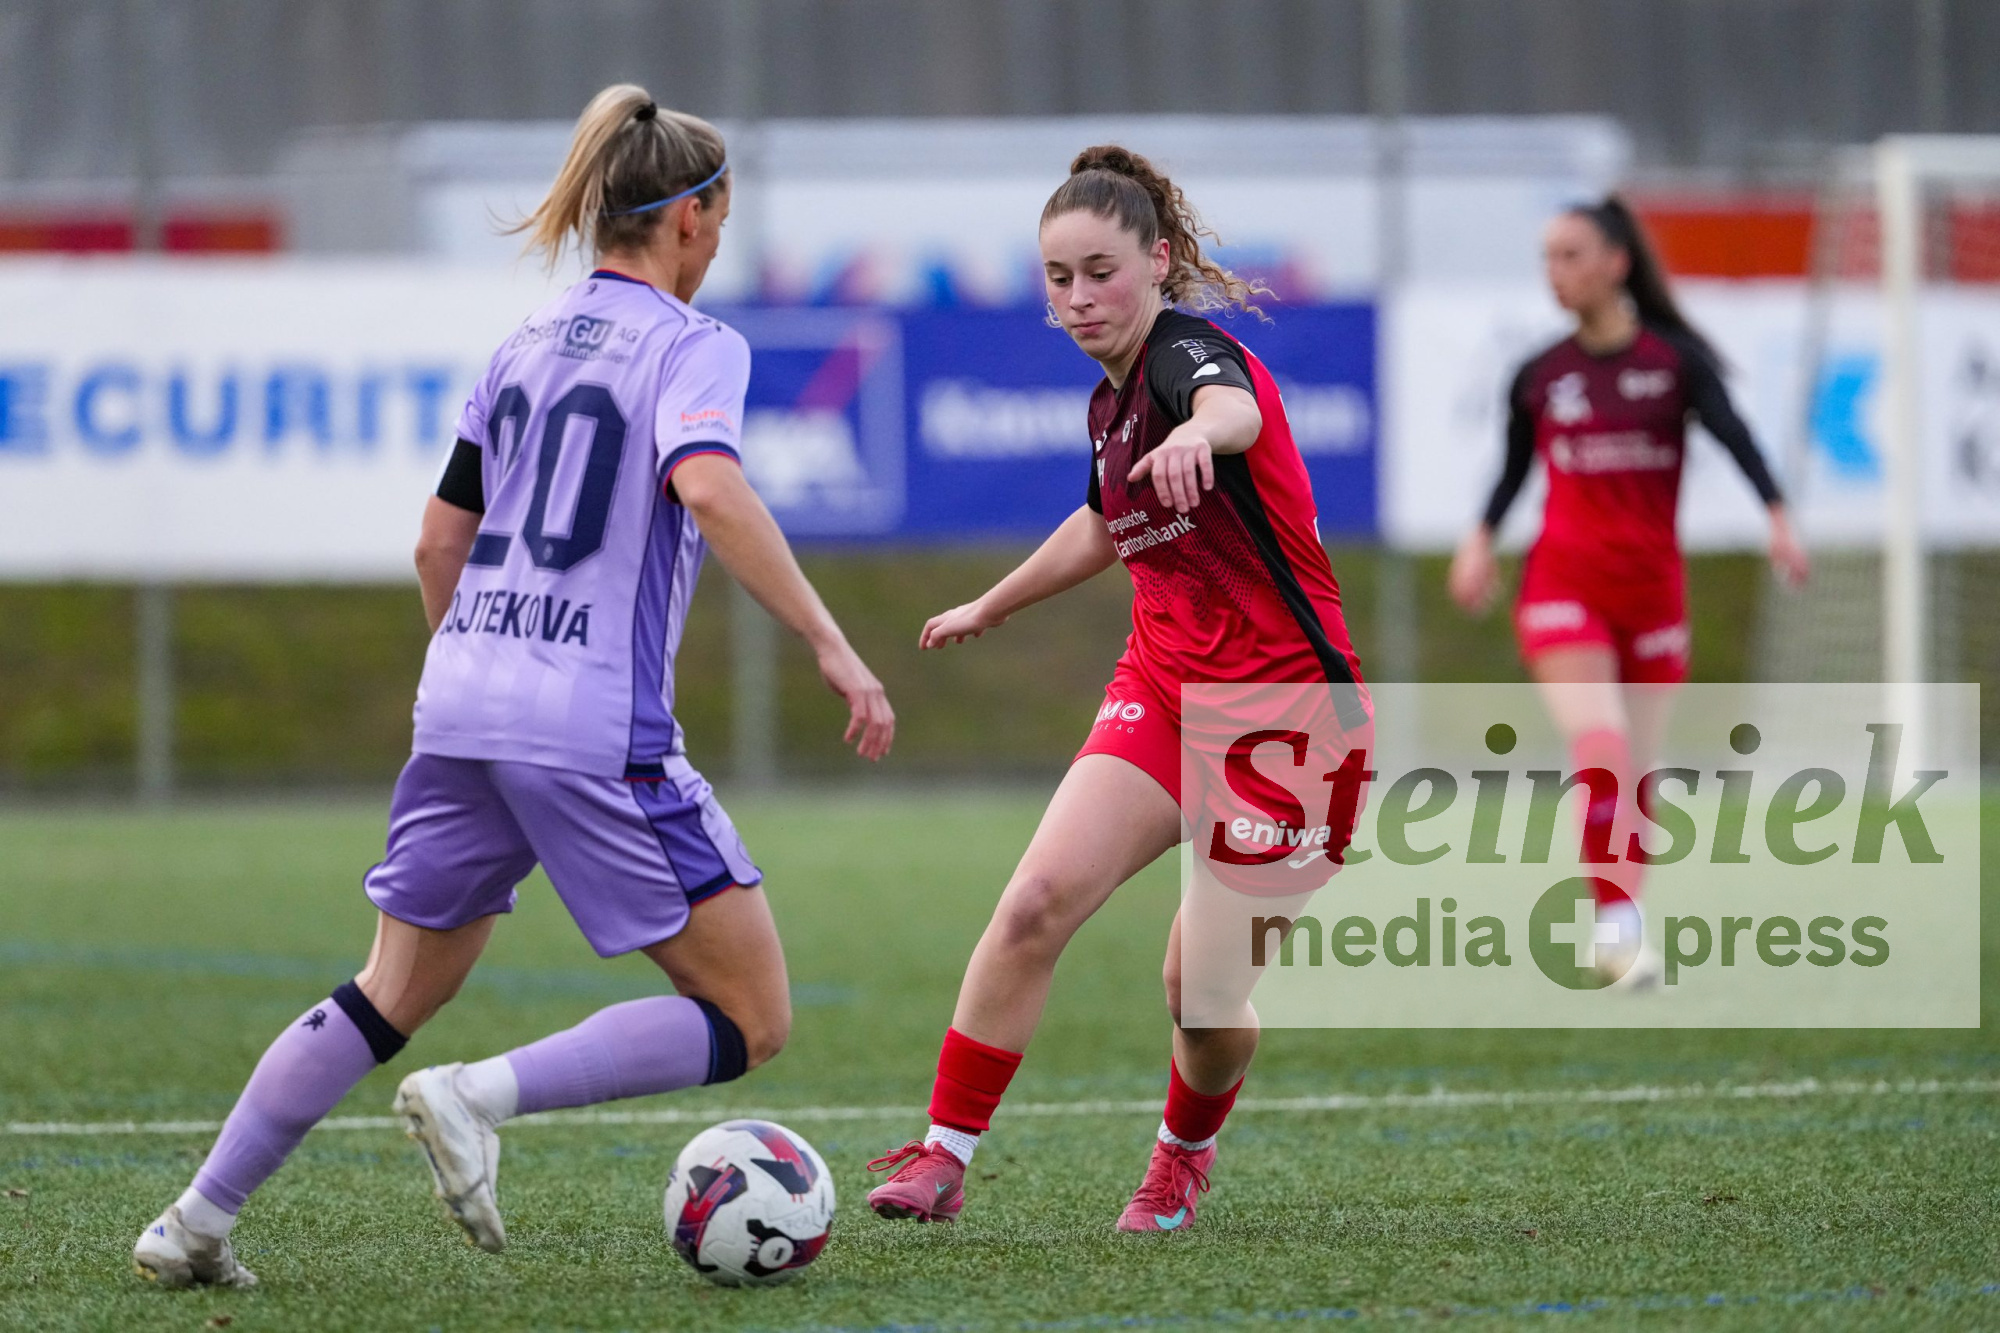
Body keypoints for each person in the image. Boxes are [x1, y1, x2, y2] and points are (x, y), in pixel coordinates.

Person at [132, 84, 893, 1289]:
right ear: (690, 217)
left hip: (460, 699)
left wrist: (484, 669)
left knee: (389, 989)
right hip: (589, 723)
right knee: (751, 1015)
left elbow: (438, 542)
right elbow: (707, 483)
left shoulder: (523, 343)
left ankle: (193, 1222)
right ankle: (477, 1095)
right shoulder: (695, 344)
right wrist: (829, 641)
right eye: (719, 218)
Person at [864, 146, 1368, 1234]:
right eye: (1058, 278)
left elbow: (1232, 409)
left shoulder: (1185, 356)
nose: (1079, 296)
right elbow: (1101, 519)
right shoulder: (1110, 404)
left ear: (1159, 261)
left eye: (1100, 271)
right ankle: (942, 1155)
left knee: (1199, 994)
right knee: (1033, 903)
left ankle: (1181, 1154)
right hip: (1164, 688)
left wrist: (1199, 432)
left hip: (1288, 722)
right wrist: (993, 603)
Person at [1446, 196, 1807, 982]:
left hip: (1652, 595)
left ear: (1616, 263)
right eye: (1547, 257)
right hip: (1563, 585)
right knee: (1602, 747)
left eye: (1571, 255)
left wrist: (1778, 517)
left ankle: (1622, 917)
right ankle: (1615, 927)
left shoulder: (1674, 363)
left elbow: (1737, 436)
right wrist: (1479, 540)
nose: (1556, 272)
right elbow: (1513, 468)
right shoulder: (1540, 375)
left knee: (1637, 770)